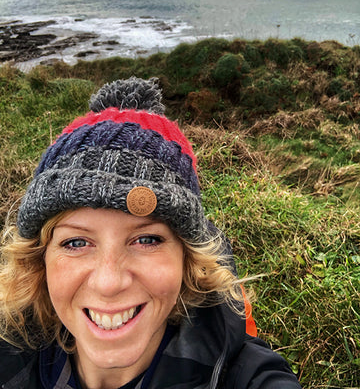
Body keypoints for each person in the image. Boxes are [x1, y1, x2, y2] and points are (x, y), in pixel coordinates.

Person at [0, 77, 302, 388]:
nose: (109, 283)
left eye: (147, 240)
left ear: (188, 259)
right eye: (76, 242)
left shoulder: (246, 377)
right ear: (38, 261)